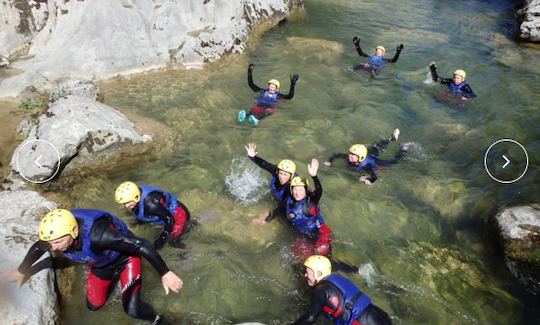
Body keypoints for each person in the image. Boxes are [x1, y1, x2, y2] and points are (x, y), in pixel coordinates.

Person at [0, 209, 183, 324]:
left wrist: (165, 273)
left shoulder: (99, 235)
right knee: (93, 306)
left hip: (126, 258)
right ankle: (113, 280)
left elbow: (140, 244)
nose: (53, 248)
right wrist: (20, 271)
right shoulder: (57, 234)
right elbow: (38, 247)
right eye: (50, 243)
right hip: (100, 263)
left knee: (132, 310)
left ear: (73, 231)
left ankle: (158, 319)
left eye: (58, 242)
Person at [294, 255, 392, 325]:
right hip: (380, 315)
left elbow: (310, 318)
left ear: (318, 274)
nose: (305, 275)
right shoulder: (335, 278)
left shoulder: (320, 291)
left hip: (361, 322)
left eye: (307, 272)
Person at [115, 181, 191, 249]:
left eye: (128, 202)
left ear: (136, 197)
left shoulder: (151, 205)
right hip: (164, 212)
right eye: (124, 203)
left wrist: (162, 238)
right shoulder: (136, 192)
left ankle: (185, 252)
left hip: (177, 215)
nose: (126, 206)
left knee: (172, 241)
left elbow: (169, 219)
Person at [323, 129, 410, 186]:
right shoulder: (349, 157)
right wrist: (329, 161)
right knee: (378, 147)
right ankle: (391, 138)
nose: (350, 156)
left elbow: (374, 177)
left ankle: (404, 149)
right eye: (350, 153)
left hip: (374, 161)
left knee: (393, 163)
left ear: (360, 158)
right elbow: (337, 154)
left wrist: (369, 181)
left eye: (353, 155)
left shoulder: (366, 166)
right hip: (366, 153)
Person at [286, 159, 332, 261]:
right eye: (295, 189)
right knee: (297, 259)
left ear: (306, 191)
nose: (298, 192)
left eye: (301, 189)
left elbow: (319, 191)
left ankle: (352, 269)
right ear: (291, 190)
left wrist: (314, 177)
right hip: (304, 235)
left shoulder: (311, 202)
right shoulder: (289, 199)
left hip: (320, 232)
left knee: (321, 259)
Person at [245, 143, 297, 224]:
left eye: (285, 175)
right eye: (281, 173)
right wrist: (253, 157)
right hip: (278, 195)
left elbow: (282, 207)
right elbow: (264, 164)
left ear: (291, 176)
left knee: (284, 219)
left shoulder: (291, 189)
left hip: (285, 203)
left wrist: (268, 219)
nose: (282, 177)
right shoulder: (277, 171)